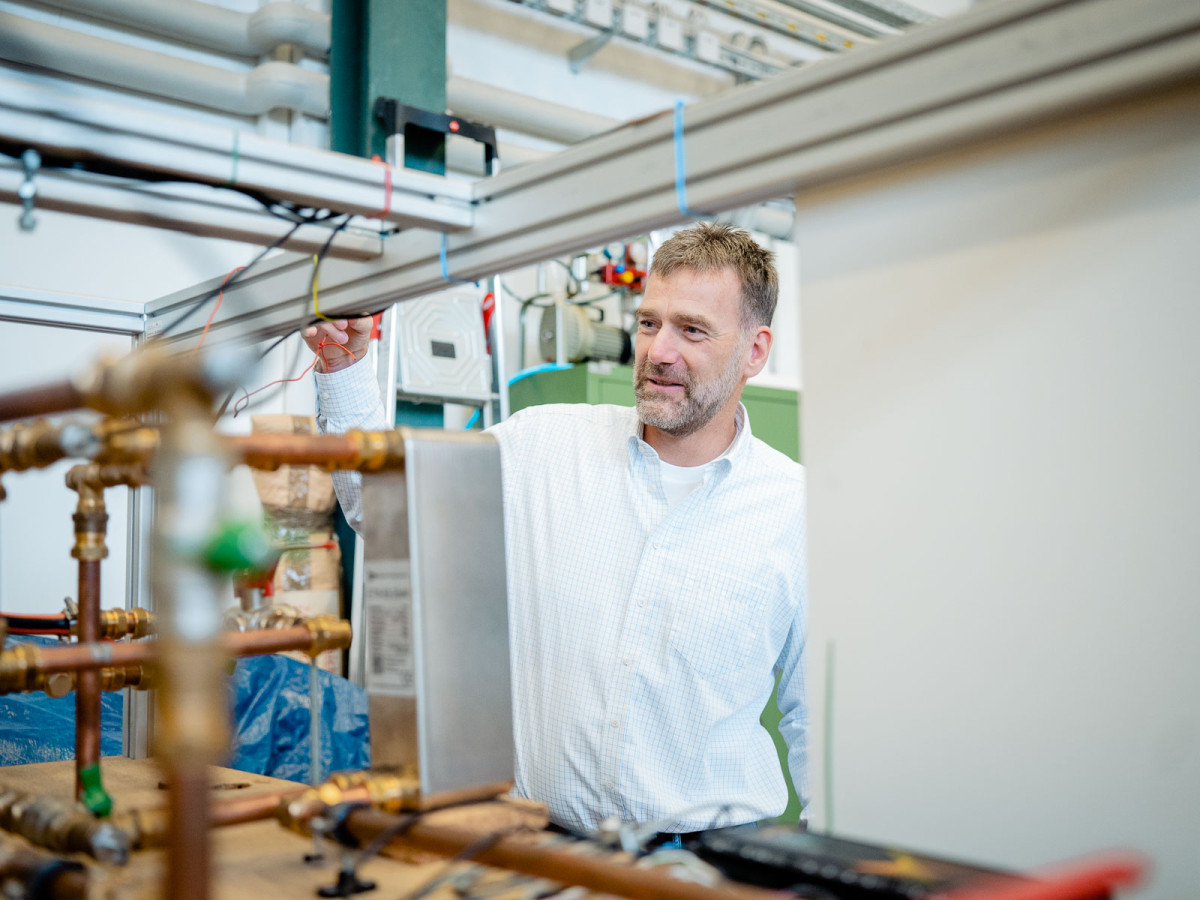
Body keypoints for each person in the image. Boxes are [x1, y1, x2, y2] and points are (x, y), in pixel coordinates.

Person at [306, 223, 808, 837]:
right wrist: (345, 367)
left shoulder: (794, 510)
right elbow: (382, 512)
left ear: (755, 350)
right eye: (650, 323)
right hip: (541, 851)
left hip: (712, 866)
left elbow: (816, 720)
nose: (659, 352)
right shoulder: (539, 446)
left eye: (693, 330)